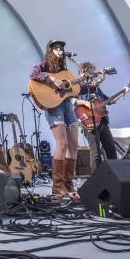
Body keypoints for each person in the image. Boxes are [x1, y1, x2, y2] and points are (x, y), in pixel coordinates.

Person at [29, 39, 79, 197]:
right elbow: (33, 74)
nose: (59, 50)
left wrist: (93, 79)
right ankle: (57, 186)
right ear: (50, 50)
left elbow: (76, 88)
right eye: (56, 48)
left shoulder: (64, 69)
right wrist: (52, 79)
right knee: (62, 143)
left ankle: (68, 183)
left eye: (61, 48)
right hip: (53, 106)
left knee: (73, 144)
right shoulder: (44, 64)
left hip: (67, 105)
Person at [76, 62, 120, 169]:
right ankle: (97, 181)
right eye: (90, 71)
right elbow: (73, 101)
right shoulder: (78, 86)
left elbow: (108, 100)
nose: (93, 74)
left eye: (93, 71)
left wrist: (123, 92)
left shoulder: (95, 88)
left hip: (103, 121)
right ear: (83, 72)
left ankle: (114, 177)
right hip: (90, 121)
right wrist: (86, 103)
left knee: (111, 151)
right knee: (96, 153)